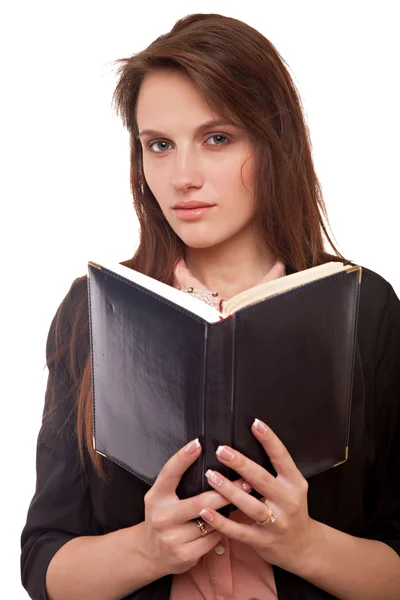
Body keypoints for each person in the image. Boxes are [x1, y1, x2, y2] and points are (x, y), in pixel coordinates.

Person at [20, 12, 400, 600]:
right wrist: (147, 549)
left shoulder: (364, 307)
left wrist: (303, 544)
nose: (183, 176)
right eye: (159, 145)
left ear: (274, 143)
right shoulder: (92, 310)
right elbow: (45, 562)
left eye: (217, 138)